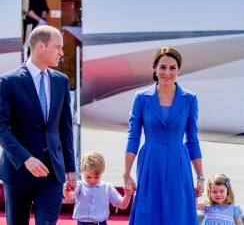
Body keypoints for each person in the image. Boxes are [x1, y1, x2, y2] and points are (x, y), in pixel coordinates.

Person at [0, 25, 76, 225]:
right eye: (58, 47)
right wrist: (26, 159)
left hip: (53, 173)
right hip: (18, 171)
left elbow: (65, 128)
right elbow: (0, 127)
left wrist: (70, 168)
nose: (62, 53)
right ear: (40, 46)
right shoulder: (8, 81)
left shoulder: (61, 81)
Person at [123, 46, 204, 225]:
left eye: (172, 68)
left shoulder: (190, 99)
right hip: (150, 161)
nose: (167, 72)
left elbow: (192, 139)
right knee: (149, 211)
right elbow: (133, 137)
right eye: (163, 67)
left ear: (178, 70)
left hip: (179, 161)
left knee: (178, 211)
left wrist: (200, 177)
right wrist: (126, 173)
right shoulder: (141, 98)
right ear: (155, 68)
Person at [64, 151, 133, 225]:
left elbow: (122, 205)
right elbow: (69, 197)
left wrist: (127, 195)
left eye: (96, 177)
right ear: (82, 171)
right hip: (82, 223)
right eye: (88, 177)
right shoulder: (79, 185)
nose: (92, 180)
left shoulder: (107, 188)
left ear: (102, 171)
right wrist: (67, 191)